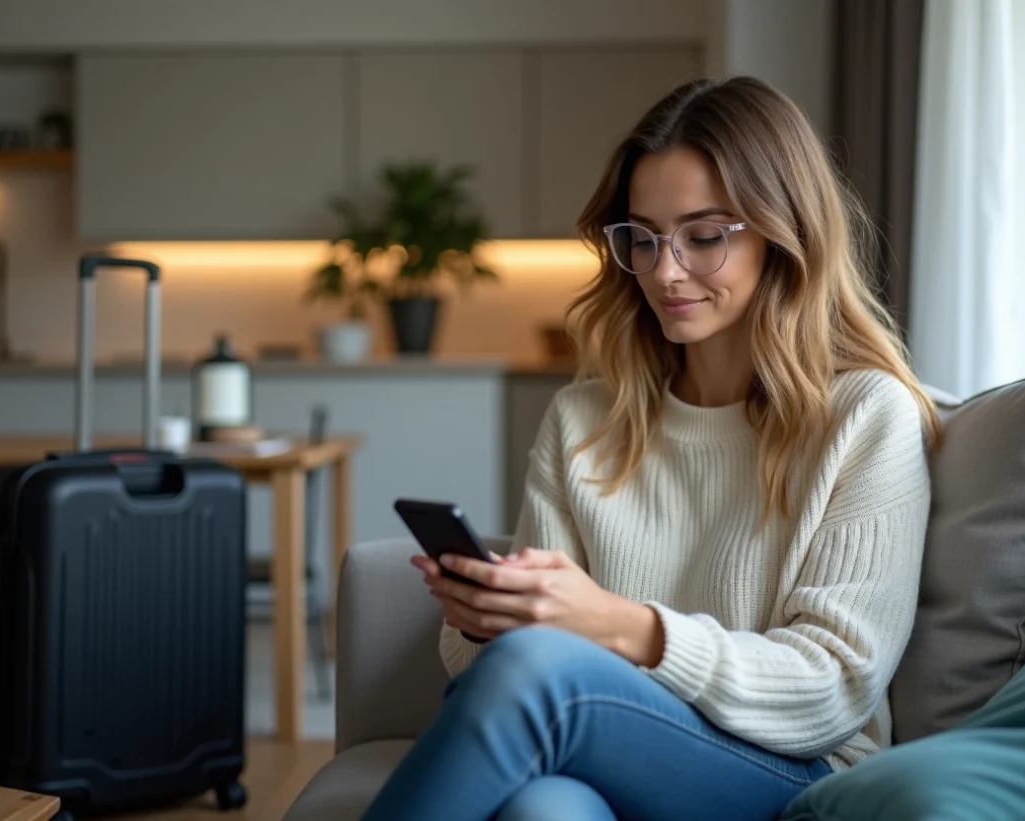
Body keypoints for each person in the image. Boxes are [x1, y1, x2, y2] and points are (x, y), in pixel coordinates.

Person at [363, 75, 941, 821]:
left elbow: (833, 688)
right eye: (642, 237)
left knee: (541, 671)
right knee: (543, 809)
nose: (665, 271)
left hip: (790, 771)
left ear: (782, 234)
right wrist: (485, 618)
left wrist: (624, 626)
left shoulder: (865, 417)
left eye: (704, 236)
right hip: (608, 750)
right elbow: (493, 670)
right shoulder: (583, 420)